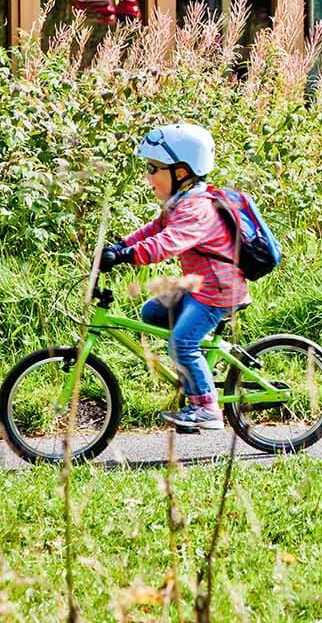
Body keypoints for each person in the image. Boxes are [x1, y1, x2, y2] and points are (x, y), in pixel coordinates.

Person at [97, 123, 248, 432]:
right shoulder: (180, 201)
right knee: (152, 312)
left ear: (182, 171)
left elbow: (167, 243)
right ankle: (196, 367)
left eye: (154, 168)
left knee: (181, 343)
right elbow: (155, 229)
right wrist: (120, 246)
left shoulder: (196, 209)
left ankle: (206, 409)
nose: (148, 176)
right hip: (200, 287)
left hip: (218, 292)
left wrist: (126, 256)